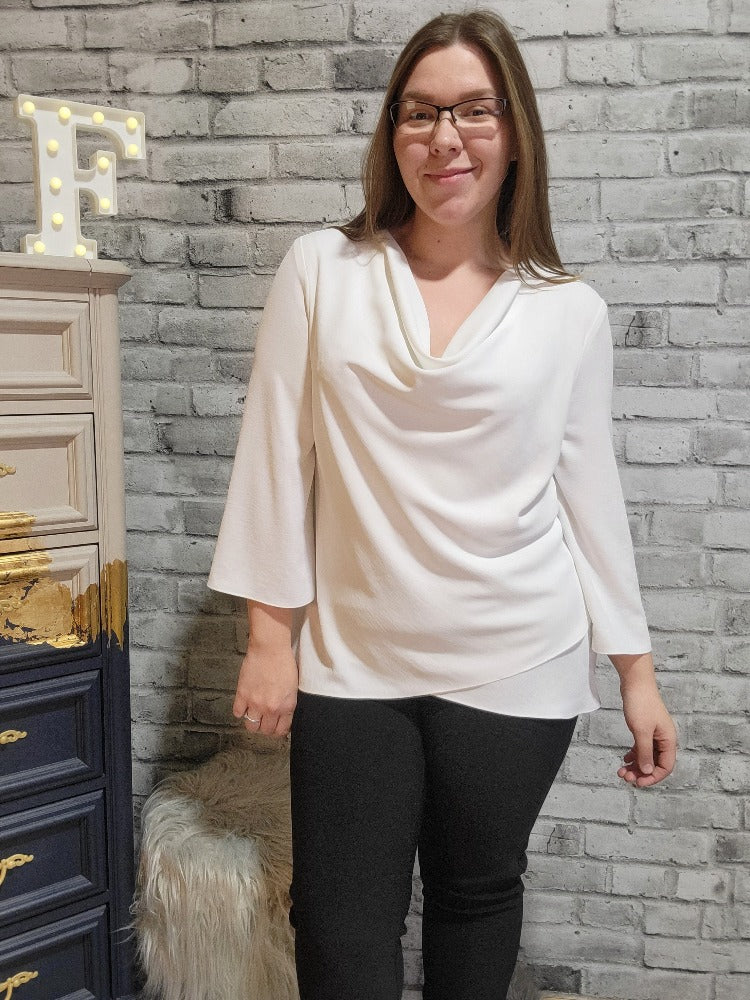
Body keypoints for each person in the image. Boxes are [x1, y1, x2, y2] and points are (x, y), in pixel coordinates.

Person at [207, 9, 678, 999]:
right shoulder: (323, 270)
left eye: (473, 110)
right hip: (354, 658)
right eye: (419, 113)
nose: (444, 138)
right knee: (337, 917)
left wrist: (636, 675)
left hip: (519, 658)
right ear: (393, 134)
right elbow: (275, 457)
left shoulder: (568, 311)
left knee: (476, 895)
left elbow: (589, 493)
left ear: (515, 132)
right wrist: (268, 637)